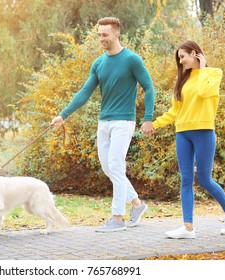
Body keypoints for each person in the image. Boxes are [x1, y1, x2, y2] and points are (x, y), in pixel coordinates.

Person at [51, 17, 155, 232]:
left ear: (117, 34)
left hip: (123, 121)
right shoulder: (99, 63)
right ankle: (137, 204)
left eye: (105, 35)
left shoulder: (132, 60)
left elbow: (149, 87)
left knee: (116, 166)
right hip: (104, 122)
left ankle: (118, 218)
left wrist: (148, 118)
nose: (101, 39)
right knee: (109, 168)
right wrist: (63, 115)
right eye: (99, 35)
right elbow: (85, 92)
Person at [142, 40, 225, 238]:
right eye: (179, 58)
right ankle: (188, 228)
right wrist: (155, 124)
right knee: (186, 180)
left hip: (204, 131)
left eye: (183, 57)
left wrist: (202, 68)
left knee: (205, 180)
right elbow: (175, 111)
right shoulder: (182, 81)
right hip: (183, 133)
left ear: (195, 54)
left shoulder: (213, 73)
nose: (181, 61)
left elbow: (204, 92)